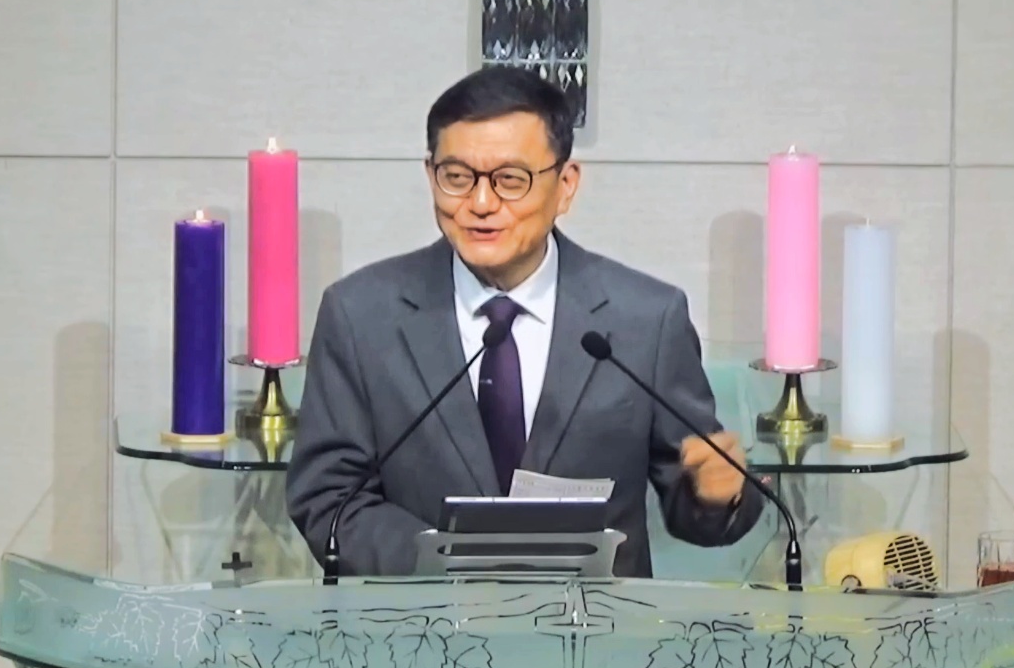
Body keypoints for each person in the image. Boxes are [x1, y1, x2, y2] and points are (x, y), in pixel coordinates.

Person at [286, 66, 764, 578]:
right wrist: (455, 565)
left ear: (566, 185)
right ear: (430, 175)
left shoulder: (646, 320)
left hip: (596, 625)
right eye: (456, 177)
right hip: (421, 622)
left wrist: (717, 494)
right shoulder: (360, 316)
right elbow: (328, 496)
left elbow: (696, 502)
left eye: (510, 180)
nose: (481, 204)